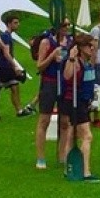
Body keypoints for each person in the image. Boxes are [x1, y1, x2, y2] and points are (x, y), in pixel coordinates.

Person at [60, 33, 100, 182]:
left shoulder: (87, 61)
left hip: (84, 102)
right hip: (74, 102)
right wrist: (71, 57)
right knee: (87, 136)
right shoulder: (76, 62)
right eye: (89, 46)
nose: (92, 48)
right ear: (80, 48)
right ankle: (85, 172)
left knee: (72, 136)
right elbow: (66, 76)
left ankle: (68, 169)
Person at [34, 18, 73, 169]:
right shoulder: (47, 42)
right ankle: (41, 157)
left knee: (65, 122)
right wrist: (52, 56)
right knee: (44, 120)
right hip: (49, 82)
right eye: (64, 25)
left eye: (69, 25)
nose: (67, 28)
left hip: (64, 83)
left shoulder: (70, 42)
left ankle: (62, 155)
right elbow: (39, 66)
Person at [0, 14, 32, 118]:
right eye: (15, 23)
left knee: (12, 87)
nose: (18, 25)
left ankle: (19, 111)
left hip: (5, 66)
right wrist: (15, 66)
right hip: (4, 67)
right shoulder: (6, 36)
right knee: (10, 87)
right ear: (9, 24)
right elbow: (6, 54)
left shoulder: (7, 36)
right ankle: (19, 111)